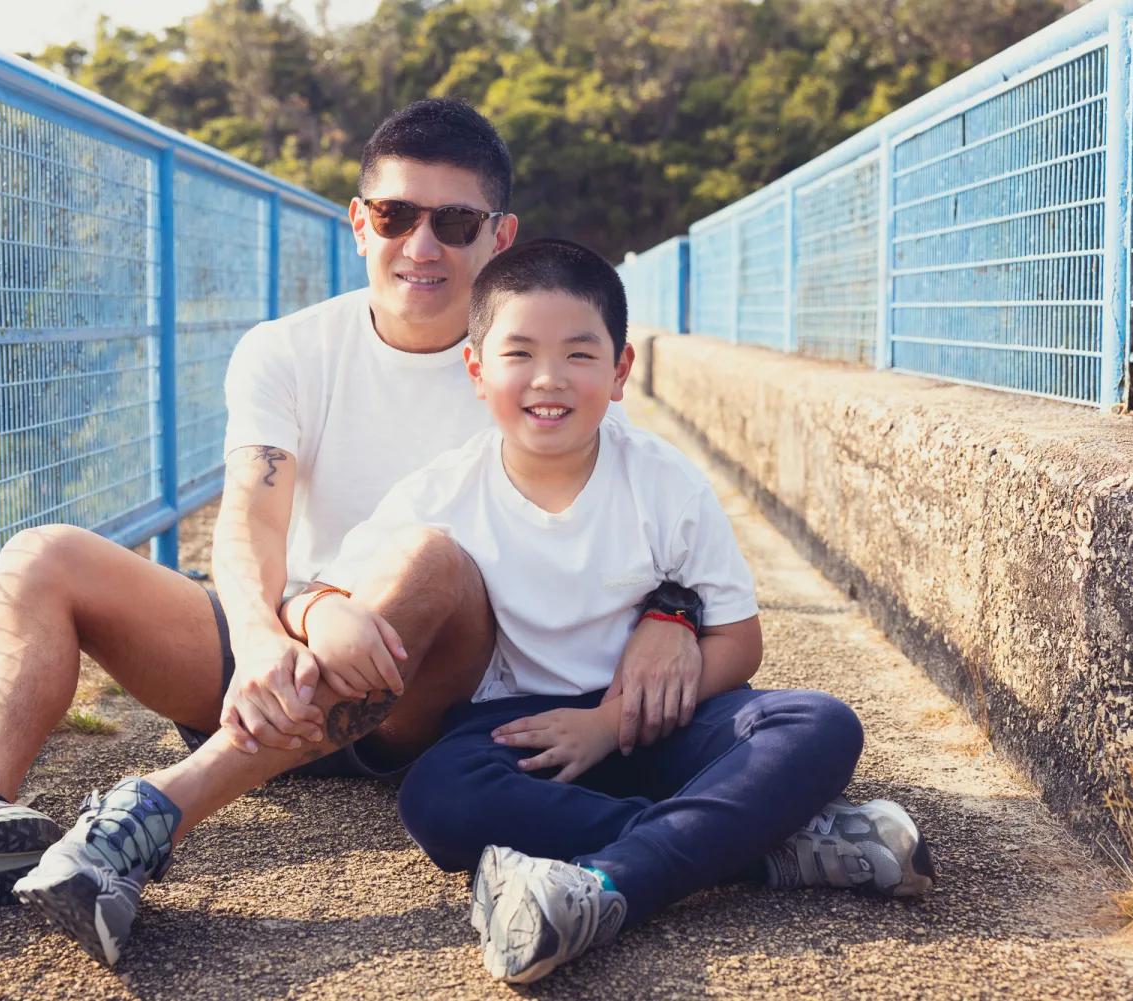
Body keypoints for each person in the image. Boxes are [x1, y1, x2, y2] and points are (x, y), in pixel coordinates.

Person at [0, 101, 707, 938]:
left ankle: (149, 819)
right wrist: (258, 637)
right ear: (358, 221)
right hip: (273, 662)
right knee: (43, 554)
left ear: (499, 235)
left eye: (455, 222)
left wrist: (672, 607)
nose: (423, 245)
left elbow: (633, 502)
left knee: (427, 557)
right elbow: (251, 518)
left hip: (419, 690)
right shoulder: (288, 350)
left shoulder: (524, 369)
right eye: (396, 215)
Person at [312, 239, 936, 984]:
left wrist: (609, 721)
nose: (549, 379)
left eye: (580, 355)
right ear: (477, 371)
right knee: (436, 799)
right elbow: (330, 590)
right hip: (517, 736)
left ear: (620, 371)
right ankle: (759, 846)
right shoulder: (438, 494)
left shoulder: (664, 482)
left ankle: (607, 884)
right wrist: (319, 612)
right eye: (519, 354)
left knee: (820, 723)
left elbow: (737, 643)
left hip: (652, 724)